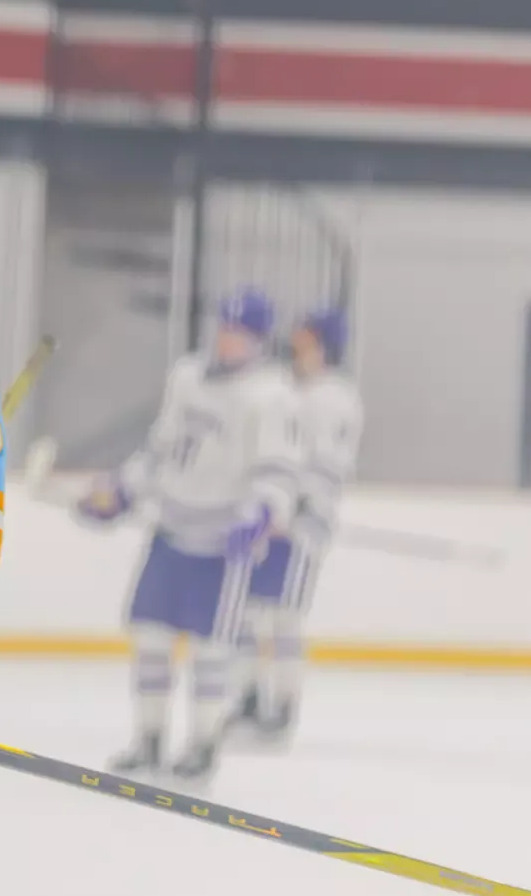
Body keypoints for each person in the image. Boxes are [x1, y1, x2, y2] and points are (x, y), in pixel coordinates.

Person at [78, 289, 299, 781]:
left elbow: (279, 470)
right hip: (171, 528)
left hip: (223, 542)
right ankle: (150, 738)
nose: (228, 338)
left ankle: (202, 742)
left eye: (240, 331)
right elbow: (162, 449)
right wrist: (122, 491)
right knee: (150, 637)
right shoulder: (187, 377)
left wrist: (261, 513)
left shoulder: (271, 394)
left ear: (260, 340)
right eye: (224, 326)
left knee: (212, 649)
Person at [231, 308, 361, 744]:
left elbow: (326, 466)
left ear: (323, 345)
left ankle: (282, 708)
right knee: (247, 613)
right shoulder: (286, 390)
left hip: (302, 528)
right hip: (273, 521)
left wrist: (300, 504)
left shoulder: (335, 399)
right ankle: (249, 698)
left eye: (305, 339)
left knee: (284, 619)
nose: (295, 345)